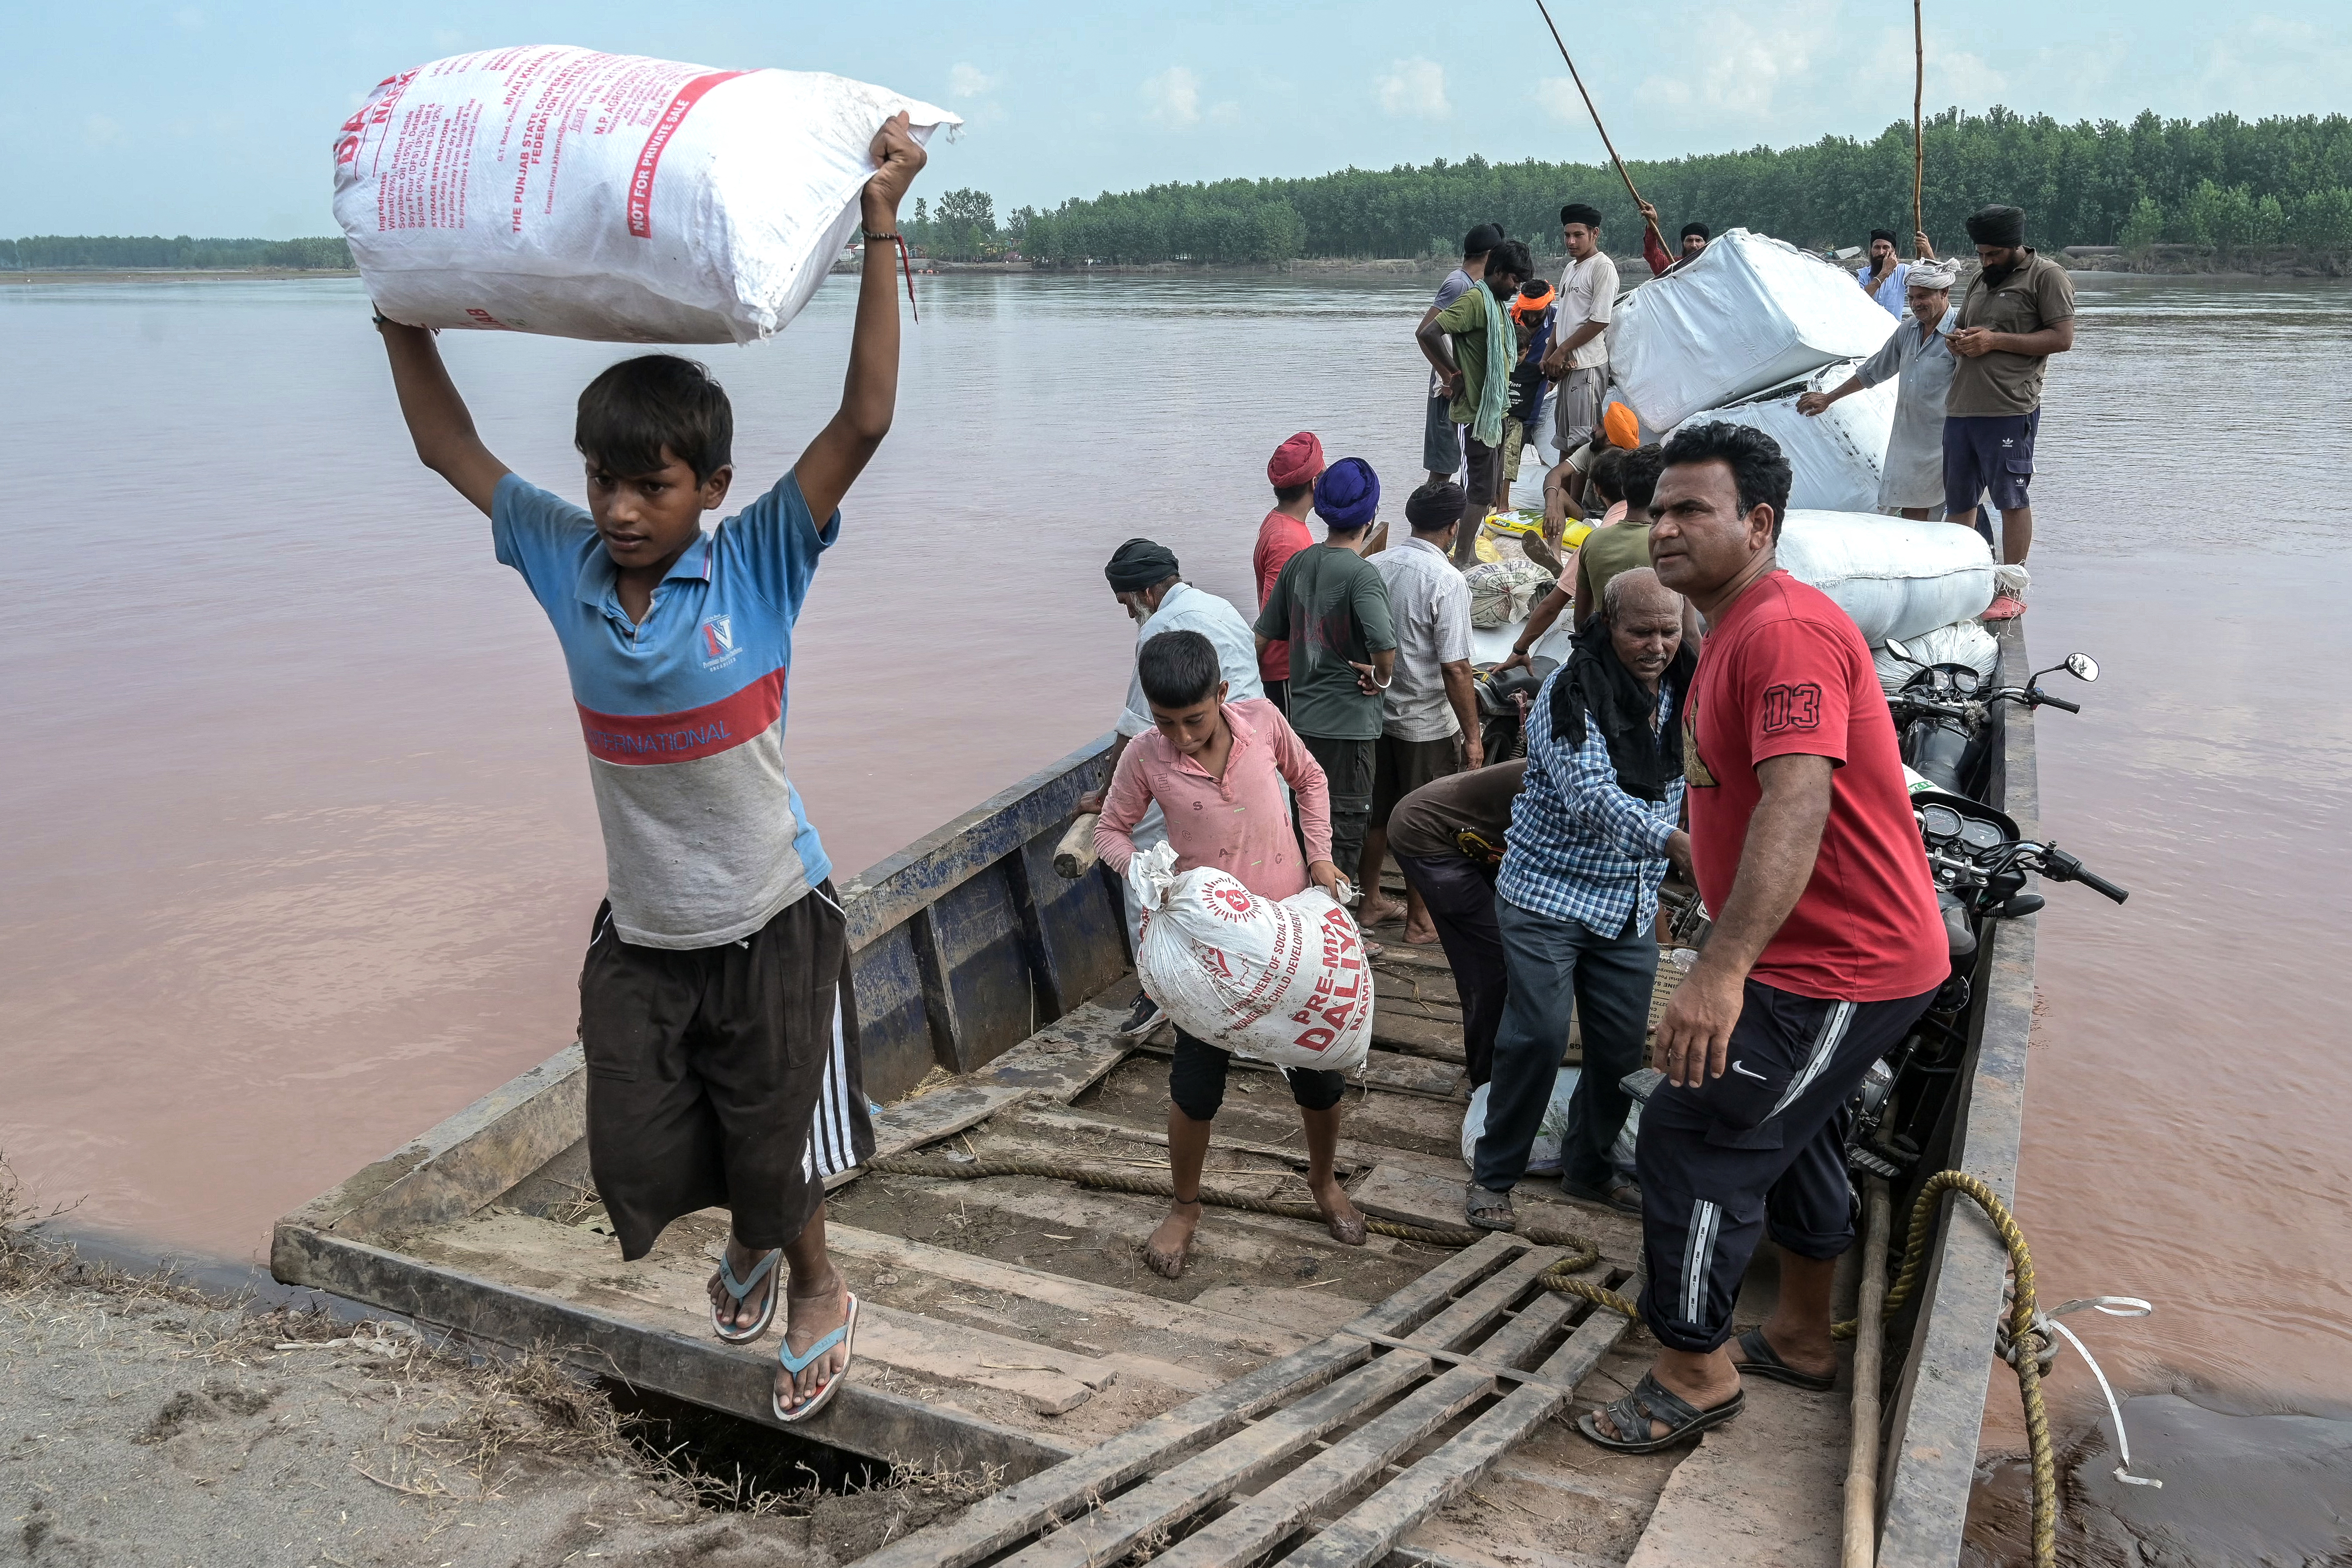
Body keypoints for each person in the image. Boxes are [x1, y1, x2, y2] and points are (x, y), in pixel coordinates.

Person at [369, 114, 927, 1423]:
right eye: (603, 481)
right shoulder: (562, 561)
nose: (619, 509)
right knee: (633, 1139)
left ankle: (813, 1283)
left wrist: (880, 220)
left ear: (711, 486)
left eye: (651, 486)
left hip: (771, 914)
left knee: (772, 1137)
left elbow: (864, 417)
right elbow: (450, 449)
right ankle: (751, 1237)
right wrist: (400, 312)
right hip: (647, 928)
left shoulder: (759, 560)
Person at [1578, 422, 1946, 1454]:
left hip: (1839, 963)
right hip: (1821, 950)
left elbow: (1796, 798)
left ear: (1758, 524)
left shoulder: (1780, 631)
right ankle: (1800, 1335)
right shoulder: (1731, 626)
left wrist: (1719, 969)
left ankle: (1692, 1372)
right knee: (1795, 1133)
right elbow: (1732, 801)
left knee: (1696, 1133)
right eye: (1657, 510)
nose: (1665, 528)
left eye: (1692, 510)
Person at [1092, 630, 1366, 1278]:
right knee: (1194, 1088)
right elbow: (1110, 830)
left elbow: (1311, 779)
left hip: (1290, 935)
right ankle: (1184, 1208)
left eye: (1194, 719)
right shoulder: (1144, 755)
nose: (1182, 737)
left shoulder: (1264, 722)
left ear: (1220, 694)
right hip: (1210, 956)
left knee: (1320, 1077)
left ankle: (1323, 1181)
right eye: (1166, 722)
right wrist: (1146, 876)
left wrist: (1320, 856)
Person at [1467, 568, 1694, 1229]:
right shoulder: (1569, 694)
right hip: (1547, 894)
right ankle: (1494, 1174)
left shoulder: (1684, 688)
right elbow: (1591, 795)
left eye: (1668, 632)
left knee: (1620, 1051)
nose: (1656, 646)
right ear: (1606, 626)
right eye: (1640, 632)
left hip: (1627, 900)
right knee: (1536, 1036)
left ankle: (1589, 1168)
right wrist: (1674, 843)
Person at [1078, 537, 1267, 1041]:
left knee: (1143, 860)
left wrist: (1106, 798)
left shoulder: (1160, 629)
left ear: (1145, 593)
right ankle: (1236, 977)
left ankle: (1158, 990)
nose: (1128, 614)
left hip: (1199, 765)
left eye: (1126, 603)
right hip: (1249, 764)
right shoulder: (1220, 607)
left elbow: (1137, 725)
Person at [1254, 459, 1398, 901]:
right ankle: (1338, 920)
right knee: (1343, 832)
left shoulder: (1298, 564)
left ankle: (1303, 915)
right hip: (1349, 731)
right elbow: (1384, 645)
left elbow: (1263, 636)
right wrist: (1381, 677)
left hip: (1300, 725)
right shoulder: (1362, 575)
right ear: (1370, 516)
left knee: (1307, 827)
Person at [1362, 480, 1482, 942]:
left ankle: (1370, 901)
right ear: (1453, 528)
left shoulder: (1375, 565)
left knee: (1378, 815)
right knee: (1425, 824)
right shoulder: (1447, 581)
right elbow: (1456, 668)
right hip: (1425, 726)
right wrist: (1473, 737)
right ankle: (1419, 921)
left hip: (1377, 716)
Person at [1944, 204, 2076, 596]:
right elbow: (1963, 327)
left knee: (2011, 499)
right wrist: (1959, 342)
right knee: (1959, 501)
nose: (1986, 261)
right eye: (1981, 254)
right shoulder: (1979, 278)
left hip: (2010, 407)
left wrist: (1995, 341)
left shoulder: (2047, 276)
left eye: (1994, 254)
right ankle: (1959, 581)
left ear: (2016, 245)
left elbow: (2062, 339)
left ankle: (2012, 589)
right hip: (1962, 407)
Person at [1388, 758, 1528, 1087]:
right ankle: (1488, 1081)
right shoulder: (1573, 781)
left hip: (1477, 836)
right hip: (1426, 833)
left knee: (1511, 948)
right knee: (1491, 964)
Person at [1797, 262, 1961, 519]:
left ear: (1944, 293)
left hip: (1944, 442)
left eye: (1923, 297)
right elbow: (1874, 371)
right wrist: (1829, 398)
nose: (1916, 304)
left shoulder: (1959, 333)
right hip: (1907, 440)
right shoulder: (1908, 330)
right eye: (1911, 298)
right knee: (1910, 510)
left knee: (1942, 511)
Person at [1418, 238, 1537, 567]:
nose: (1517, 288)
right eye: (1514, 280)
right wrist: (1452, 374)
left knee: (1490, 490)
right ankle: (1461, 558)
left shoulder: (1496, 305)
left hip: (1494, 411)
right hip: (1475, 414)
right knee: (1479, 491)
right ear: (1497, 271)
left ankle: (1466, 552)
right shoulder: (1474, 300)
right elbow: (1428, 333)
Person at [1420, 224, 1506, 484]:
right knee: (1444, 466)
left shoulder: (1473, 285)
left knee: (1464, 463)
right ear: (1490, 255)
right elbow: (1425, 333)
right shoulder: (1459, 285)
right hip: (1449, 390)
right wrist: (1449, 376)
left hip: (1461, 386)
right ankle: (1430, 510)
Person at [1541, 204, 1620, 463]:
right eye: (1567, 235)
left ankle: (1583, 491)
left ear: (1594, 234)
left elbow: (1600, 321)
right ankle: (1562, 489)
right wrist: (1548, 354)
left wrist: (1563, 350)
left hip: (1586, 367)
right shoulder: (1570, 269)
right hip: (1565, 367)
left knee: (1584, 442)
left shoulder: (1603, 267)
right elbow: (1562, 318)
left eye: (1578, 235)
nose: (1571, 242)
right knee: (1565, 439)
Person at [1255, 431, 1326, 711]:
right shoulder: (1288, 539)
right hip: (1284, 670)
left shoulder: (1279, 521)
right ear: (1314, 482)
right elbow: (1275, 616)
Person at [1501, 279, 1557, 500]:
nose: (1532, 319)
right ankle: (1496, 501)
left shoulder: (1557, 323)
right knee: (1502, 457)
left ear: (1548, 305)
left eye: (1538, 313)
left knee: (1546, 454)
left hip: (1537, 402)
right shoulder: (1507, 320)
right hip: (1506, 405)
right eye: (1528, 312)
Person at [1635, 200, 1709, 276]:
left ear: (1705, 244)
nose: (1694, 245)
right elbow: (1652, 254)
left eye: (1698, 241)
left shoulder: (1712, 267)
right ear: (1683, 244)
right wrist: (1653, 223)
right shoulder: (1673, 266)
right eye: (1689, 241)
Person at [1855, 229, 1909, 316]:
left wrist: (1927, 251)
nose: (1881, 252)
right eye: (1877, 247)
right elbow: (1858, 301)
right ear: (1871, 250)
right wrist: (1885, 272)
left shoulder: (1903, 271)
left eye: (1886, 248)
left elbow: (1929, 278)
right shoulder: (1860, 275)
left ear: (1893, 251)